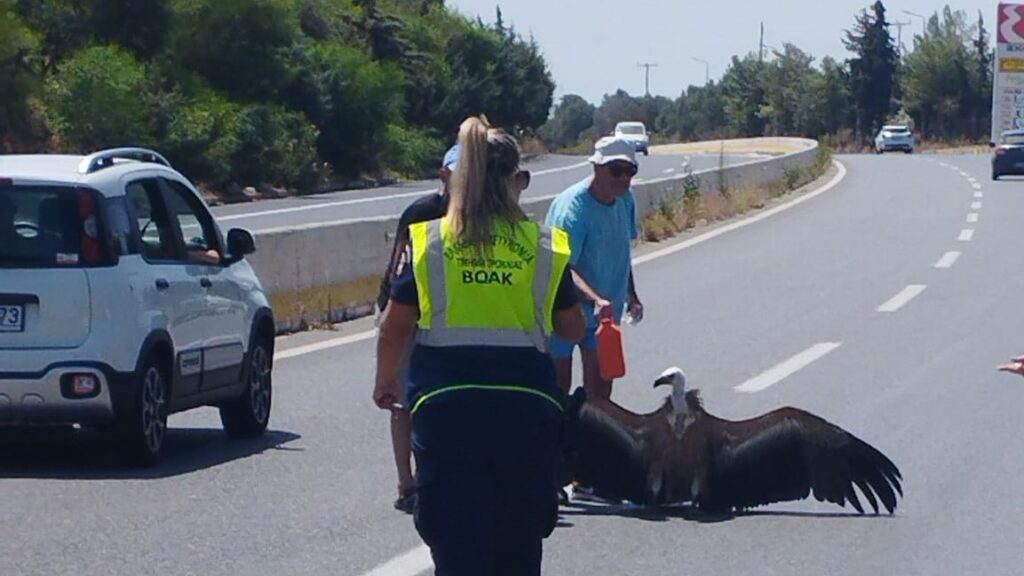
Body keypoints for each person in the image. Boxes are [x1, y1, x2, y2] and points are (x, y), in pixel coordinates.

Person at [373, 115, 585, 576]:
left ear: (459, 175)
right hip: (526, 417)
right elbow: (571, 330)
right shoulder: (543, 245)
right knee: (518, 553)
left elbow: (394, 326)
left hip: (448, 415)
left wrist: (386, 380)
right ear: (515, 180)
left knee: (458, 554)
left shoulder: (431, 239)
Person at [376, 144, 459, 514]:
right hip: (409, 311)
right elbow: (400, 268)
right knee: (403, 402)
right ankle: (406, 482)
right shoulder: (423, 212)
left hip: (449, 318)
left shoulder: (480, 215)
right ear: (444, 174)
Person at [544, 136, 644, 401]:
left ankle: (593, 441)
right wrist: (595, 298)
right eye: (616, 170)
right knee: (558, 387)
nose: (624, 178)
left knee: (601, 390)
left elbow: (622, 250)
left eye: (630, 171)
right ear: (598, 168)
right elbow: (563, 267)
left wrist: (631, 293)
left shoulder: (625, 200)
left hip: (605, 317)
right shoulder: (574, 210)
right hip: (564, 310)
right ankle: (559, 441)